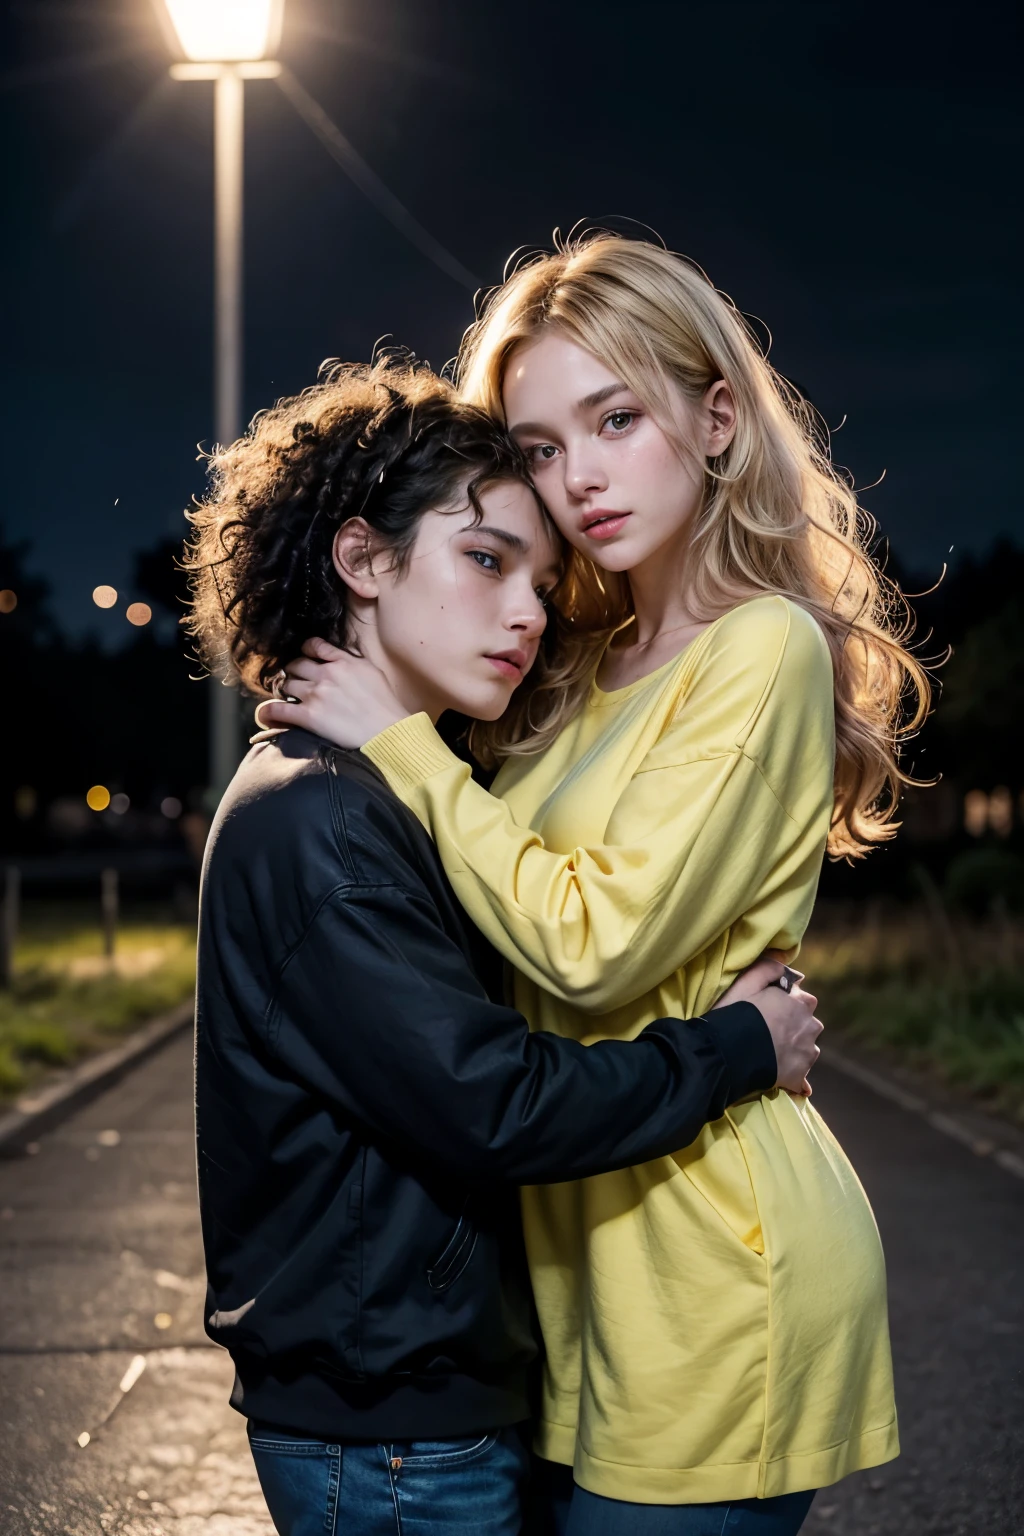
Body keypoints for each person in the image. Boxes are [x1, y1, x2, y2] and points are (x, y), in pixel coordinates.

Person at [261, 237, 932, 1535]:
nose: (579, 481)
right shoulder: (576, 667)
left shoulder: (761, 650)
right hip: (579, 1283)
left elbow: (591, 946)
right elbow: (472, 910)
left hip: (714, 1274)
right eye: (542, 447)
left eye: (615, 419)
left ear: (716, 417)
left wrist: (395, 744)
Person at [185, 357, 821, 1536]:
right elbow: (500, 1102)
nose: (529, 610)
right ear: (365, 562)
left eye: (541, 575)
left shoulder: (383, 790)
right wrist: (741, 1045)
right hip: (391, 1431)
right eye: (485, 561)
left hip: (431, 1401)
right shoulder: (323, 819)